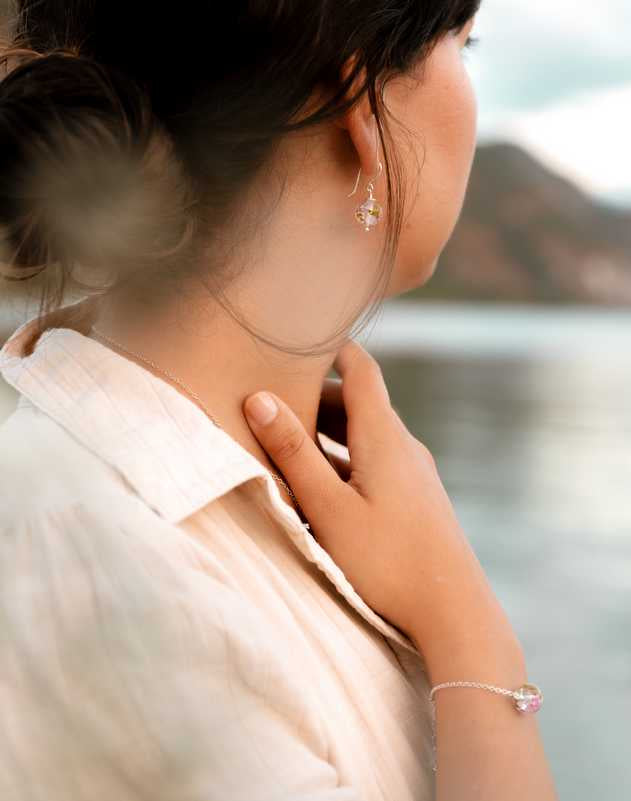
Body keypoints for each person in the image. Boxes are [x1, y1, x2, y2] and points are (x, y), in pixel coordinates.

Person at [0, 2, 559, 799]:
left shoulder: (127, 504)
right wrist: (470, 632)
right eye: (464, 45)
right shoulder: (101, 560)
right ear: (366, 108)